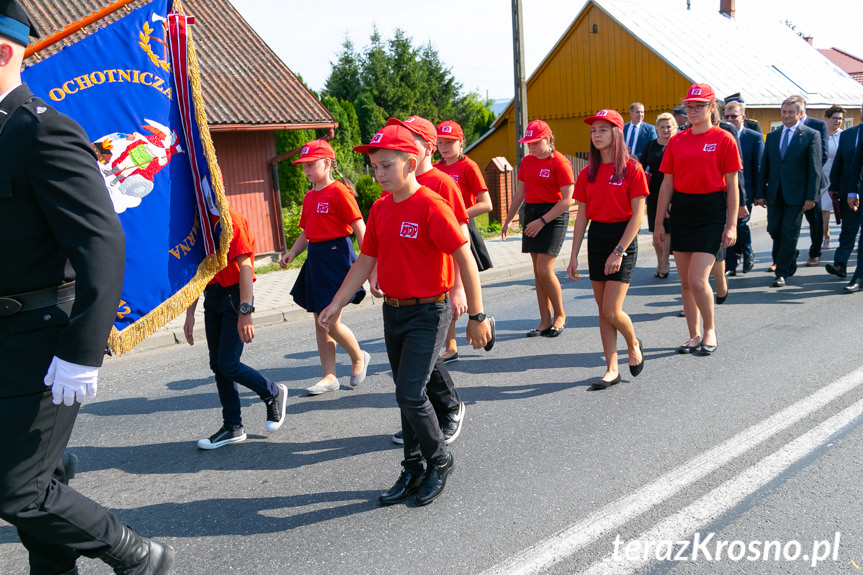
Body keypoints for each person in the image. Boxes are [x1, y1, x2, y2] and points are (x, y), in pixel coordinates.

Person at [0, 2, 174, 573]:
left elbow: (101, 244)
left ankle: (135, 554)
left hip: (42, 335)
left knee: (18, 490)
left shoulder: (41, 130)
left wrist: (81, 351)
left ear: (4, 50)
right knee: (35, 478)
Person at [318, 124, 493, 506]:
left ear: (410, 163)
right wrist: (337, 304)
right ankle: (413, 468)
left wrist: (477, 315)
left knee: (410, 393)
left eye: (385, 166)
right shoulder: (380, 208)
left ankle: (439, 460)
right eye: (375, 167)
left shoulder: (431, 205)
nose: (378, 174)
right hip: (393, 312)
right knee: (405, 395)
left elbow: (465, 257)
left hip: (429, 312)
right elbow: (366, 259)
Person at [384, 115, 488, 448]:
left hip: (438, 288)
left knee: (422, 359)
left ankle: (450, 408)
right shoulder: (397, 186)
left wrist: (460, 290)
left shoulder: (443, 183)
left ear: (424, 147)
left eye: (409, 136)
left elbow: (462, 244)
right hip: (409, 288)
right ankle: (421, 421)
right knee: (421, 357)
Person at [185, 207, 288, 449]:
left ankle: (271, 391)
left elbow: (246, 267)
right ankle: (232, 426)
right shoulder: (198, 225)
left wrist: (245, 312)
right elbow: (198, 273)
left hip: (235, 296)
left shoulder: (231, 220)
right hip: (213, 297)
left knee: (229, 364)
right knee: (218, 366)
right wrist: (190, 313)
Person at [654, 83, 741, 355]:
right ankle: (692, 335)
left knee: (697, 279)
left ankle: (709, 330)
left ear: (711, 107)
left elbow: (733, 185)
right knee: (684, 281)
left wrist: (732, 224)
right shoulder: (677, 140)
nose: (691, 111)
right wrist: (658, 223)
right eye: (689, 106)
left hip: (712, 211)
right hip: (682, 211)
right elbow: (666, 184)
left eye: (699, 106)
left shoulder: (724, 139)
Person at [280, 140, 370, 395]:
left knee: (328, 319)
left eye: (311, 164)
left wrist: (370, 264)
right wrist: (292, 253)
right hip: (317, 258)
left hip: (337, 256)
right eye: (304, 166)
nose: (306, 170)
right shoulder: (310, 196)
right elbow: (307, 233)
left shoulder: (340, 192)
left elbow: (359, 228)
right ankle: (329, 375)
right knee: (320, 321)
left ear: (328, 163)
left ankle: (358, 357)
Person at [567, 110, 647, 389]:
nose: (596, 135)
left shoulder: (631, 169)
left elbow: (638, 216)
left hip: (622, 237)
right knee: (603, 311)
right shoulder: (588, 173)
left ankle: (633, 342)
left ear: (617, 133)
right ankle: (611, 368)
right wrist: (573, 255)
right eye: (593, 130)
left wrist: (619, 251)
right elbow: (581, 217)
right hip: (597, 237)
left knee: (612, 311)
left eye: (603, 129)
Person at [502, 119, 574, 338]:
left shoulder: (560, 162)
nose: (531, 147)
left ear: (547, 139)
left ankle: (560, 315)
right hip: (532, 213)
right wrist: (507, 221)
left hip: (553, 216)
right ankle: (544, 320)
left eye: (535, 143)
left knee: (544, 269)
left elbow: (568, 200)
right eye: (528, 143)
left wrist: (543, 221)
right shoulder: (527, 162)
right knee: (537, 272)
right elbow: (519, 194)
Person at [435, 119, 494, 363]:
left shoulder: (468, 167)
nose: (444, 146)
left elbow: (487, 204)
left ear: (462, 142)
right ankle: (451, 346)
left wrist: (457, 214)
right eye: (440, 142)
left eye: (450, 142)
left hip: (462, 231)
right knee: (445, 290)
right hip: (439, 233)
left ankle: (482, 320)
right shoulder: (435, 168)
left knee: (462, 291)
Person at [755, 95, 823, 288]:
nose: (786, 115)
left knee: (789, 231)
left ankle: (781, 271)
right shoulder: (774, 135)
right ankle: (790, 255)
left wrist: (811, 197)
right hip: (775, 193)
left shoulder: (810, 135)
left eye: (791, 112)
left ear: (801, 114)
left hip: (798, 194)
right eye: (783, 112)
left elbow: (815, 169)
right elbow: (765, 166)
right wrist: (760, 193)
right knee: (774, 229)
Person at [722, 100, 764, 275]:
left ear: (743, 117)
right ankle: (731, 264)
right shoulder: (722, 136)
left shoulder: (754, 137)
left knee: (740, 224)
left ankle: (747, 253)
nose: (730, 119)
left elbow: (759, 167)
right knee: (727, 226)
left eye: (734, 116)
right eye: (727, 116)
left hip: (746, 191)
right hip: (725, 190)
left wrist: (759, 194)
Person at [826, 103, 863, 287]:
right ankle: (840, 264)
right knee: (848, 229)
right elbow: (839, 161)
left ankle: (859, 274)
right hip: (849, 189)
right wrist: (834, 186)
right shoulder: (848, 134)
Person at [639, 112, 677, 278]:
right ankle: (659, 260)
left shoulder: (678, 144)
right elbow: (642, 166)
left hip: (674, 191)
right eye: (662, 127)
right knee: (655, 229)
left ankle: (665, 263)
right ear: (657, 128)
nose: (665, 130)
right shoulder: (651, 145)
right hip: (654, 193)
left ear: (674, 127)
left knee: (667, 230)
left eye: (668, 126)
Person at [797, 96, 830, 267]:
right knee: (786, 221)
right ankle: (784, 254)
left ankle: (815, 253)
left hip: (813, 182)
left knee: (814, 220)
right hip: (791, 182)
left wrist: (807, 175)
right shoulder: (786, 125)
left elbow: (823, 155)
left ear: (802, 111)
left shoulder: (818, 125)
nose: (788, 115)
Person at [820, 105, 844, 250]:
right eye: (834, 118)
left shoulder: (844, 135)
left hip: (838, 176)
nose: (838, 121)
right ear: (826, 119)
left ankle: (846, 236)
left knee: (841, 208)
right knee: (824, 209)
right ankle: (826, 235)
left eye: (840, 118)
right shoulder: (819, 134)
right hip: (823, 176)